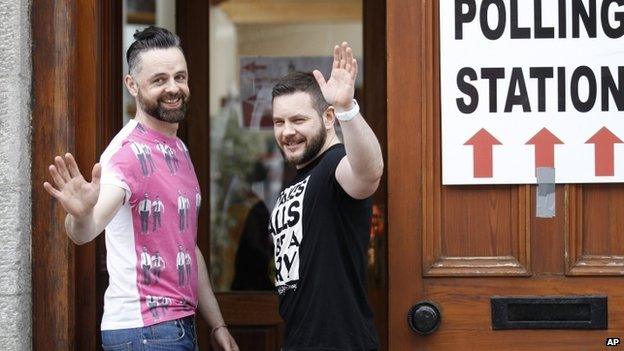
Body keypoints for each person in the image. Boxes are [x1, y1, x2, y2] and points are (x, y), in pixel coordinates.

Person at [42, 26, 238, 351]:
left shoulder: (179, 149)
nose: (173, 88)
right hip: (145, 332)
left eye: (180, 77)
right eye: (159, 80)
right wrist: (80, 213)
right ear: (132, 85)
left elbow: (186, 247)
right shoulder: (126, 154)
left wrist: (216, 323)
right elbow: (84, 231)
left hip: (175, 327)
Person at [269, 42, 383, 350]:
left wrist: (348, 109)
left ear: (328, 118)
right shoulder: (299, 179)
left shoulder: (335, 165)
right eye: (279, 122)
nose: (286, 132)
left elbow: (369, 172)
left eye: (298, 120)